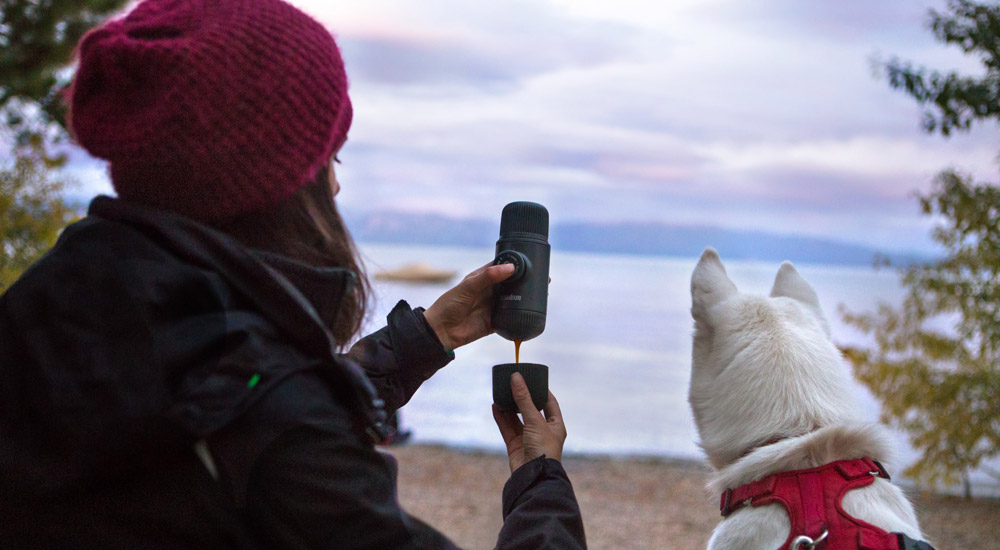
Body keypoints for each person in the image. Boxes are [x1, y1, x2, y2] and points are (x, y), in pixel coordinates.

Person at [0, 0, 587, 548]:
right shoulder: (278, 434)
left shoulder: (45, 309)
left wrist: (429, 336)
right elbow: (269, 415)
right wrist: (540, 477)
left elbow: (242, 391)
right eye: (330, 158)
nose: (335, 184)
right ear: (272, 183)